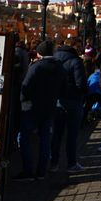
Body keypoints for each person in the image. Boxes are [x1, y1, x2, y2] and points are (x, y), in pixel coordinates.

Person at [17, 41, 66, 180]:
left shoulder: (36, 66)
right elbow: (64, 89)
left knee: (24, 138)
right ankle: (41, 171)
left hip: (32, 107)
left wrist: (23, 100)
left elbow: (26, 86)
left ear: (39, 53)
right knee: (45, 140)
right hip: (50, 107)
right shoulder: (60, 67)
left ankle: (28, 170)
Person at [51, 39, 88, 173]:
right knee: (72, 135)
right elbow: (81, 84)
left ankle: (54, 163)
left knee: (56, 134)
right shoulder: (76, 61)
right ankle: (71, 164)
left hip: (56, 101)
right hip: (73, 101)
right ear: (74, 47)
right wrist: (82, 95)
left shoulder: (54, 59)